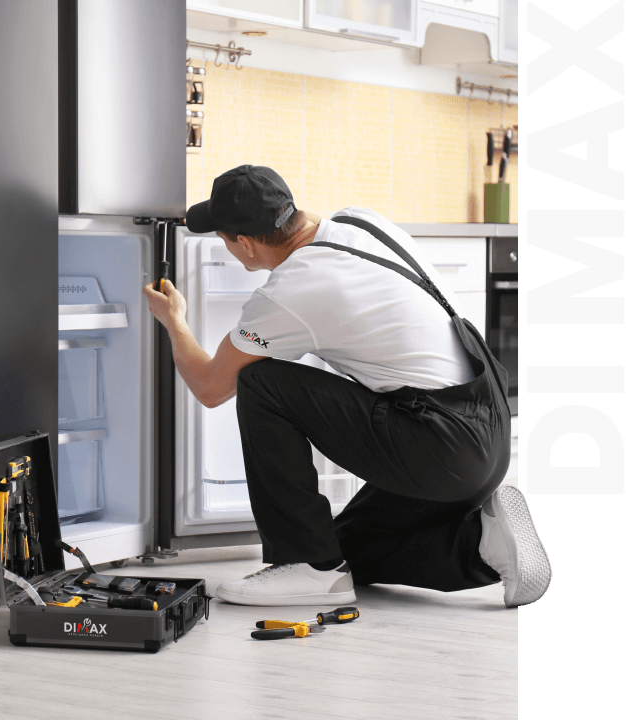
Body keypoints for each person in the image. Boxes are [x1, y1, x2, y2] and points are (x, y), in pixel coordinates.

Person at [143, 164, 550, 609]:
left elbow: (210, 387)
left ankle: (306, 565)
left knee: (262, 382)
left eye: (224, 237)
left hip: (439, 444)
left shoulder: (290, 291)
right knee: (345, 552)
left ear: (245, 242)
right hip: (486, 431)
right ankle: (483, 544)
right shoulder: (360, 221)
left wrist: (174, 321)